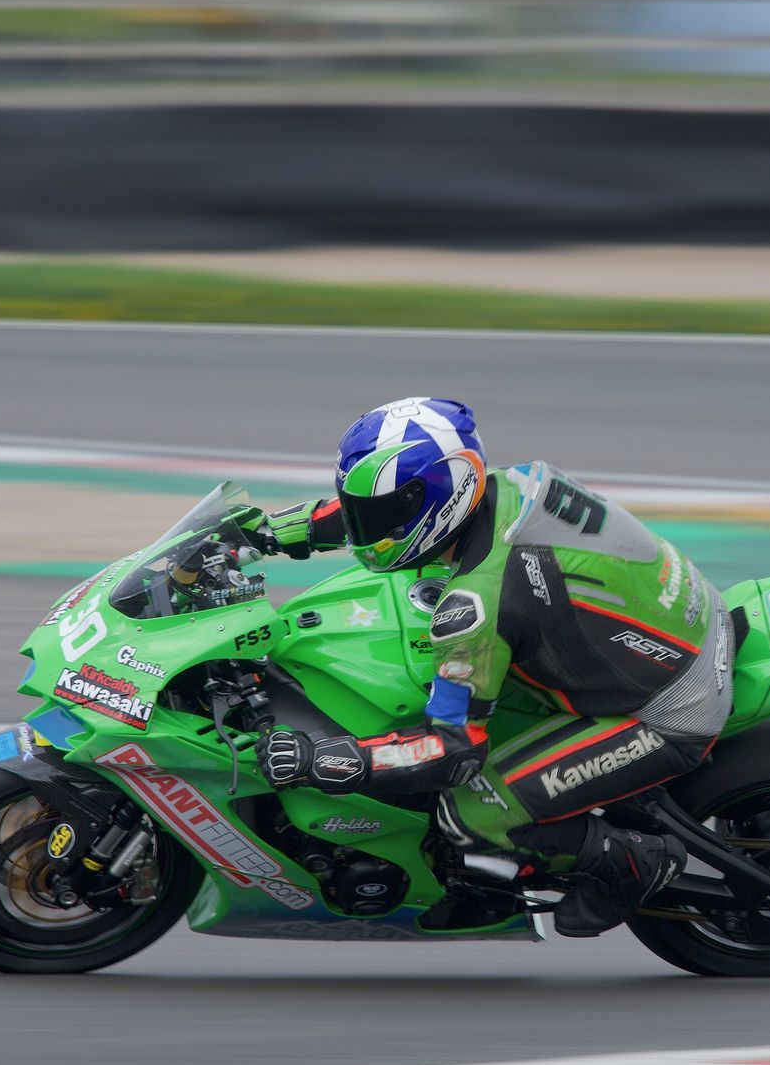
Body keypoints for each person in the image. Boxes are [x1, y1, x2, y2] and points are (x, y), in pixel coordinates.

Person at [252, 397, 733, 937]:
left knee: (473, 813)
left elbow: (453, 751)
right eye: (365, 510)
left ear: (445, 492)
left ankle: (629, 862)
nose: (369, 528)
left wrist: (331, 760)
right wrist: (264, 532)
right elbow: (374, 517)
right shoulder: (501, 487)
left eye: (383, 513)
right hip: (674, 622)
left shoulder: (476, 604)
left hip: (667, 706)